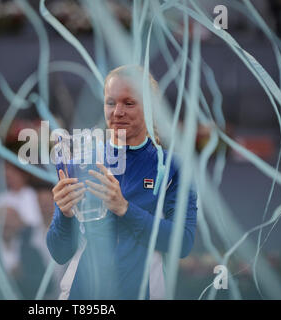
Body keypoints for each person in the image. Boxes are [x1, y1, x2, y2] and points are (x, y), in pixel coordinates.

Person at [47, 65, 198, 300]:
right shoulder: (83, 162)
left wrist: (124, 208)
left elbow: (183, 242)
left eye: (129, 103)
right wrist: (64, 216)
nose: (117, 112)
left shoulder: (172, 167)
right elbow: (59, 252)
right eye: (110, 102)